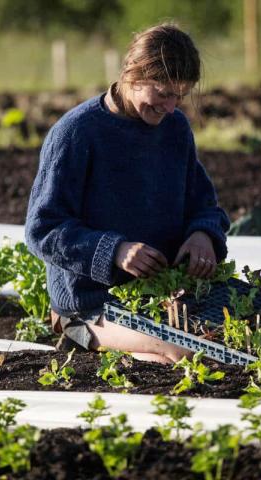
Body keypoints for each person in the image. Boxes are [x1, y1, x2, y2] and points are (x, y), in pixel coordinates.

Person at [25, 23, 230, 364]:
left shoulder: (175, 128)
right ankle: (80, 338)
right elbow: (42, 230)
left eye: (179, 96)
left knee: (243, 336)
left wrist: (202, 235)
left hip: (165, 292)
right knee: (188, 354)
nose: (170, 106)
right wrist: (114, 250)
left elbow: (203, 203)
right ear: (133, 75)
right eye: (162, 93)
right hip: (91, 303)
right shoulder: (77, 133)